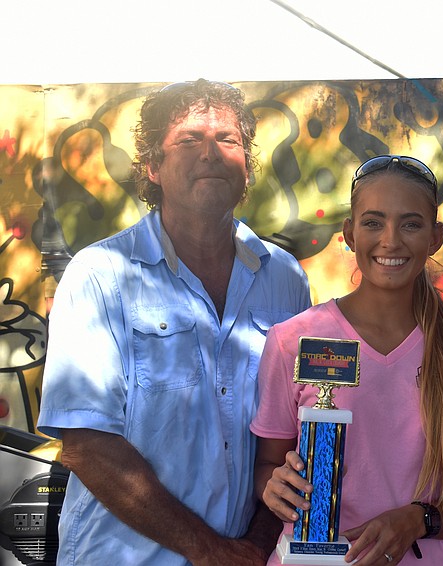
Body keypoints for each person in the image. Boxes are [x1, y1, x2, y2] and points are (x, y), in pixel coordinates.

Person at [37, 79, 312, 565]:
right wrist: (212, 553)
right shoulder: (100, 275)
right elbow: (86, 445)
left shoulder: (284, 280)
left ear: (246, 166)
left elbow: (292, 437)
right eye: (188, 139)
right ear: (152, 167)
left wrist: (254, 549)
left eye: (227, 140)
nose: (210, 153)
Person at [251, 155, 443, 565]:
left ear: (435, 237)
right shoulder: (293, 340)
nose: (391, 240)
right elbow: (267, 466)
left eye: (411, 223)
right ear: (349, 233)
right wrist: (273, 486)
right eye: (373, 222)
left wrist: (417, 520)